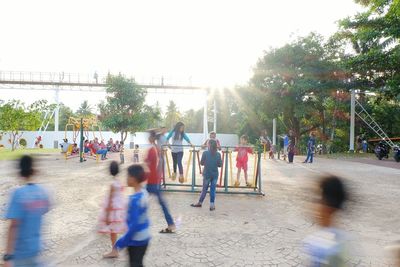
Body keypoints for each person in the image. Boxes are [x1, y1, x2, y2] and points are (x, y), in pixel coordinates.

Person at [3, 155, 51, 267]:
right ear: (34, 170)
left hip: (21, 252)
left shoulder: (18, 194)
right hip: (36, 248)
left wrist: (8, 256)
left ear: (20, 172)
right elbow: (45, 209)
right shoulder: (43, 192)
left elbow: (13, 226)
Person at [304, 175, 349, 266]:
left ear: (327, 205)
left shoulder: (322, 246)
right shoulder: (342, 237)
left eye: (317, 199)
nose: (312, 204)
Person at [115, 165, 150, 267]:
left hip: (136, 240)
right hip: (145, 237)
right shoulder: (144, 192)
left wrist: (122, 241)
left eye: (128, 176)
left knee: (135, 264)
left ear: (133, 179)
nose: (126, 178)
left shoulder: (134, 200)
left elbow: (134, 224)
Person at [145, 130, 176, 233]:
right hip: (155, 181)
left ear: (152, 138)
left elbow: (147, 166)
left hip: (151, 182)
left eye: (149, 137)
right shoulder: (157, 149)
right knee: (162, 204)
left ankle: (132, 225)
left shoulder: (151, 150)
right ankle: (171, 224)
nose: (148, 138)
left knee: (138, 202)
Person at [98, 161, 127, 258]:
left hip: (113, 210)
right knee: (114, 231)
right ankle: (115, 250)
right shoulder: (120, 182)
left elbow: (110, 201)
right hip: (119, 209)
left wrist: (106, 216)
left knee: (113, 232)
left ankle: (114, 250)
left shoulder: (112, 184)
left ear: (110, 171)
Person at [191, 139, 222, 211]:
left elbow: (201, 163)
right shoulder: (218, 154)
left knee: (204, 189)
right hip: (215, 174)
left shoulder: (205, 153)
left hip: (207, 174)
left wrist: (204, 161)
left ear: (209, 145)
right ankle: (212, 205)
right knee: (213, 190)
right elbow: (220, 165)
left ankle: (200, 202)